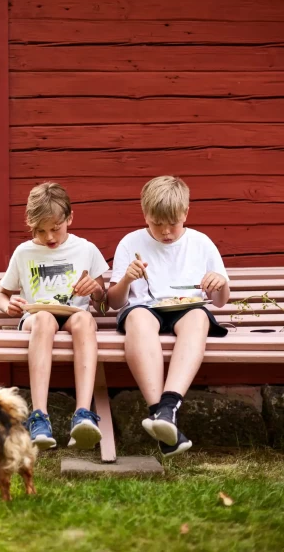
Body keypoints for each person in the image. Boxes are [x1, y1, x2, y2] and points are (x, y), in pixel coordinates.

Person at [107, 176, 230, 457]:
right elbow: (115, 303)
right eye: (156, 223)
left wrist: (219, 283)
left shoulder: (200, 243)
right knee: (137, 318)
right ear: (145, 215)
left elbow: (220, 302)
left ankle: (167, 406)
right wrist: (126, 279)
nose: (165, 232)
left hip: (187, 310)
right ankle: (161, 413)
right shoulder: (130, 243)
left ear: (186, 213)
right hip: (145, 311)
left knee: (198, 317)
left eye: (172, 223)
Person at [0, 182, 108, 451]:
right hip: (36, 318)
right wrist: (8, 305)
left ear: (70, 217)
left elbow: (102, 302)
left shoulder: (86, 249)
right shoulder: (24, 252)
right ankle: (39, 416)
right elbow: (2, 294)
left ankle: (83, 414)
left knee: (85, 319)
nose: (49, 237)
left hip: (73, 315)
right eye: (41, 231)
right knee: (45, 318)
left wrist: (96, 291)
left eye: (55, 228)